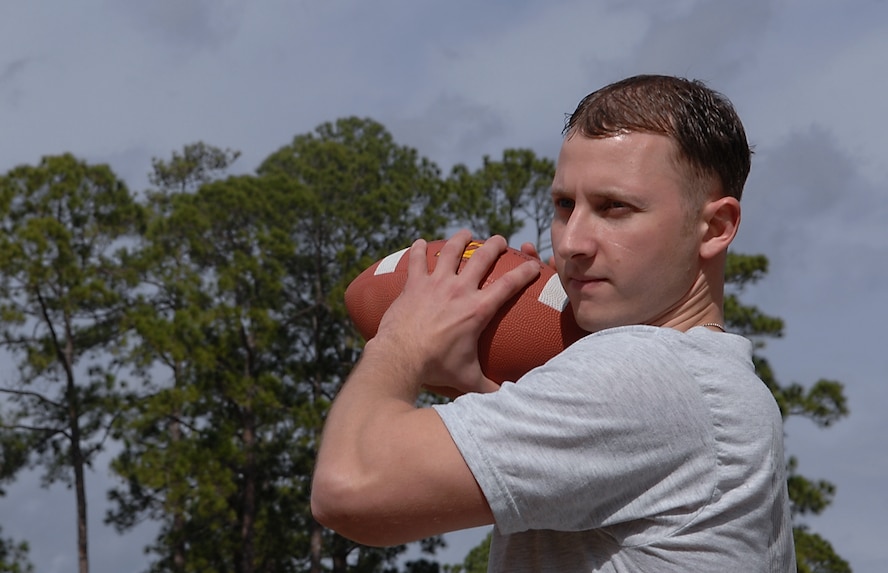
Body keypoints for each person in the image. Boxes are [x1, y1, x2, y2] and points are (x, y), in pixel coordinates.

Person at [311, 74, 796, 572]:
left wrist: (403, 337)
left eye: (614, 207)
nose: (570, 243)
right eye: (565, 205)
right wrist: (482, 388)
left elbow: (350, 485)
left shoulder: (647, 371)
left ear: (714, 227)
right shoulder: (718, 385)